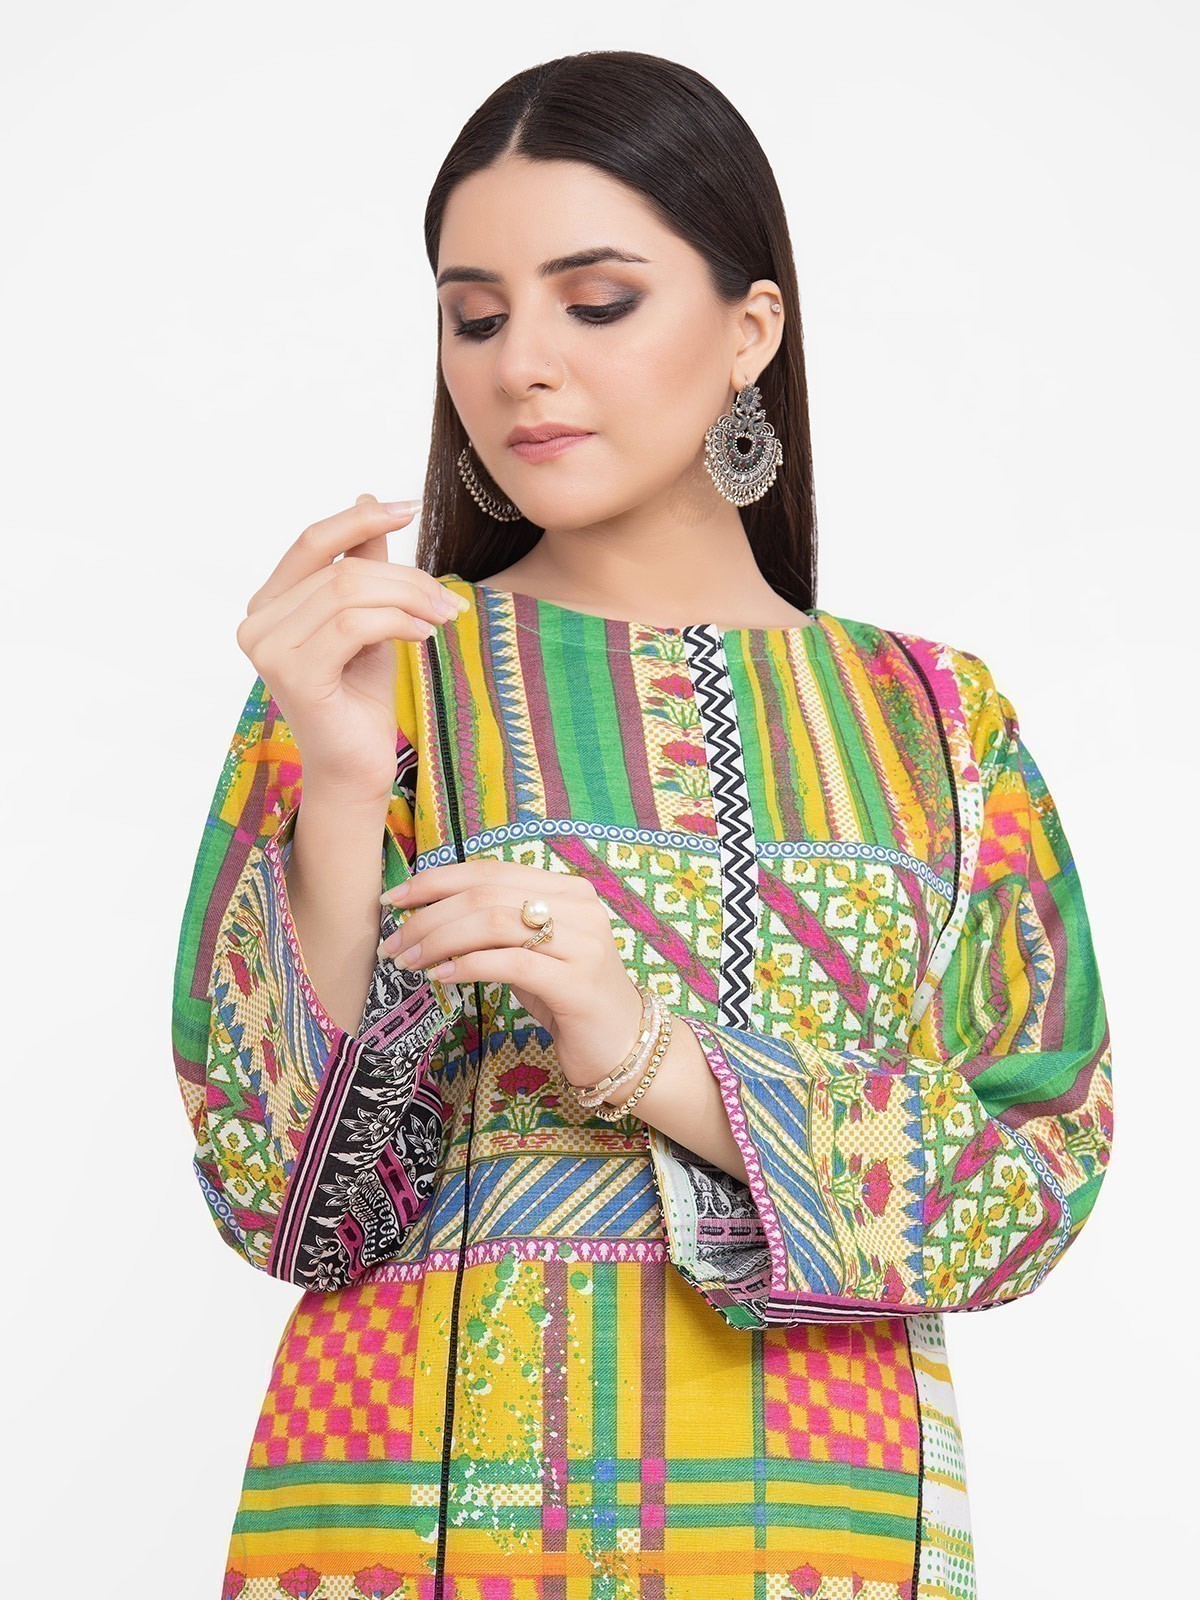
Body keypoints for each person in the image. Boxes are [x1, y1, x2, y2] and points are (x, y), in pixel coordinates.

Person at [171, 49, 1113, 1600]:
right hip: (421, 1514)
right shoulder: (373, 675)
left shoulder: (939, 721)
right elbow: (276, 1200)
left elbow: (1033, 1174)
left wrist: (647, 1052)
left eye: (596, 303)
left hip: (822, 1525)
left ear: (752, 330)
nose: (521, 367)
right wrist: (338, 787)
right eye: (477, 318)